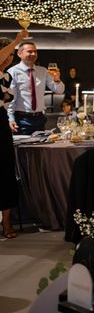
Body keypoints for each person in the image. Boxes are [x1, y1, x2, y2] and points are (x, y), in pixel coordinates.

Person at [0, 30, 28, 239]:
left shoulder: (7, 76)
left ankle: (7, 224)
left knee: (6, 170)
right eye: (6, 54)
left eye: (11, 55)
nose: (9, 59)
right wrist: (17, 41)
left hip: (1, 122)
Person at [8, 41, 65, 134]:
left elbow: (59, 90)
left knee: (39, 147)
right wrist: (10, 118)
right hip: (21, 119)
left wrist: (57, 79)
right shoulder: (13, 71)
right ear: (19, 54)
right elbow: (11, 98)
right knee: (24, 148)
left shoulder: (43, 71)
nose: (33, 54)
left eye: (35, 51)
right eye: (30, 52)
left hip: (40, 118)